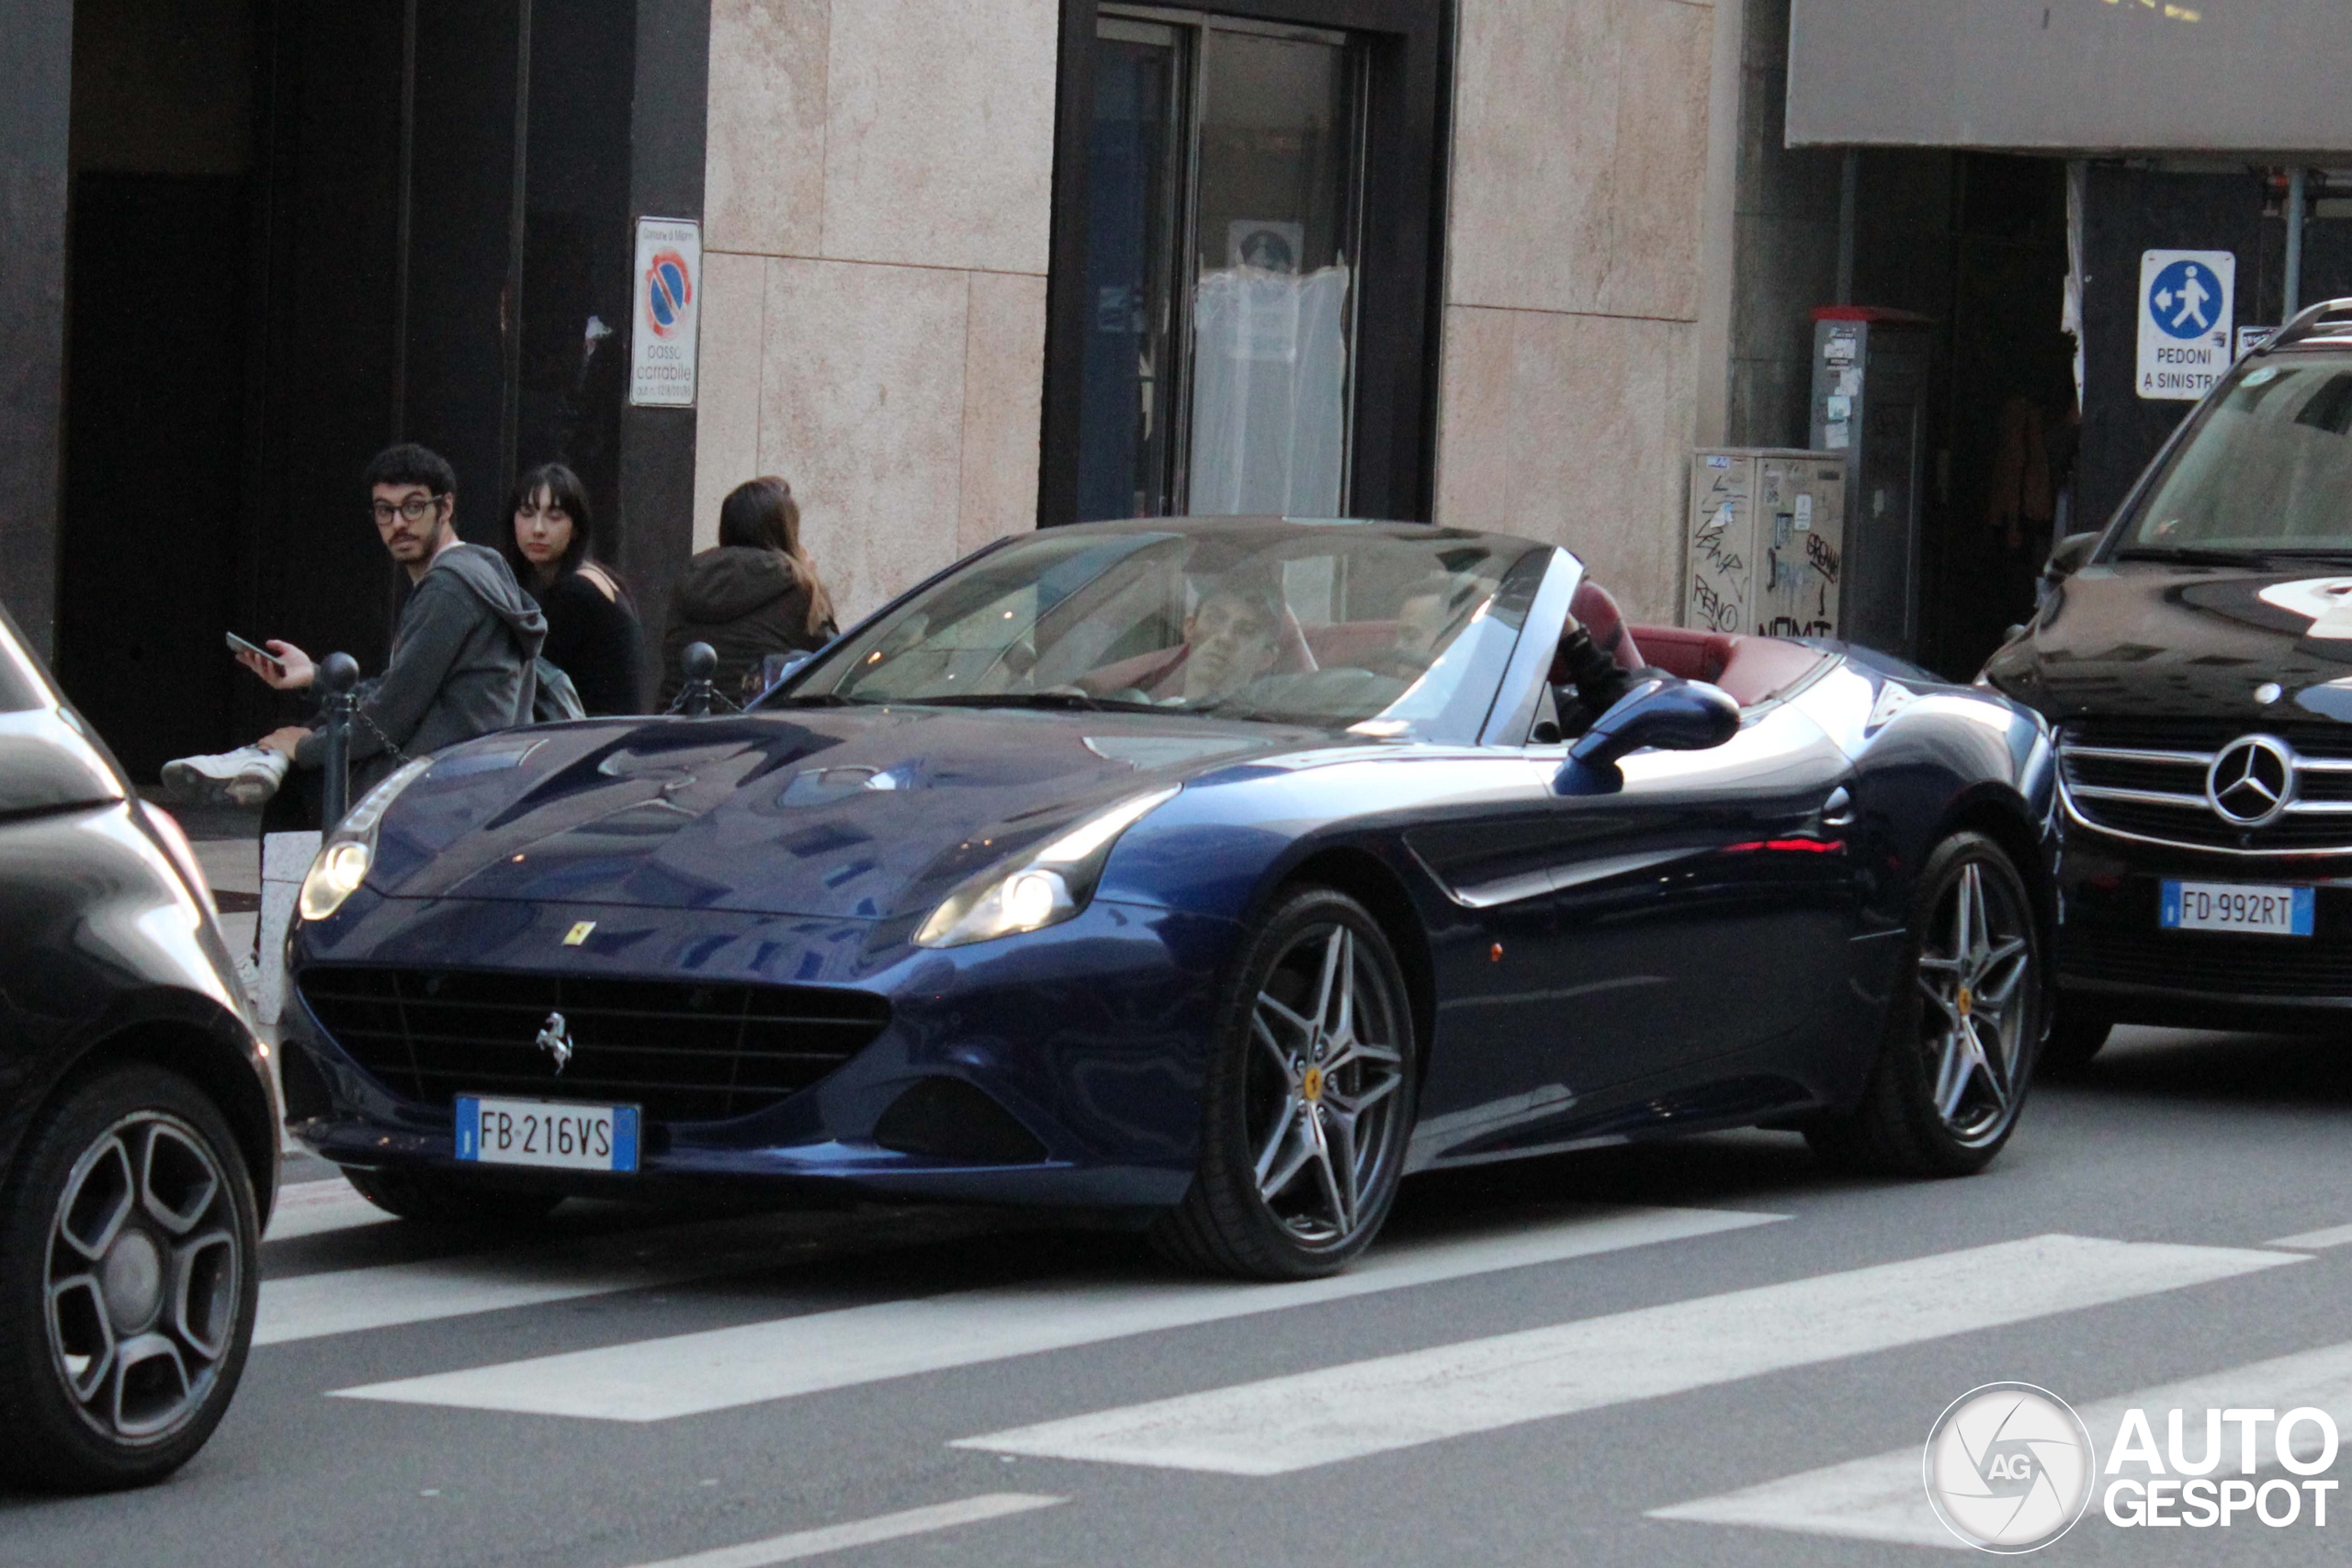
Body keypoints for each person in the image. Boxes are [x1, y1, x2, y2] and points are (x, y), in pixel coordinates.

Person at [163, 444, 547, 818]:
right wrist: (314, 677)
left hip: (440, 785)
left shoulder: (448, 588)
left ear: (445, 507)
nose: (398, 524)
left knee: (296, 792)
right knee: (326, 727)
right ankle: (265, 757)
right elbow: (400, 690)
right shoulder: (482, 569)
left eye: (413, 507)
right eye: (385, 510)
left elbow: (391, 714)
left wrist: (307, 748)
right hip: (472, 773)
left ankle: (267, 760)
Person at [660, 476, 838, 707]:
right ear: (786, 533)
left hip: (672, 726)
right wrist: (809, 575)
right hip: (753, 730)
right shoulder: (799, 585)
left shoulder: (691, 576)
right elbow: (834, 663)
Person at [503, 461, 644, 715]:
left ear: (576, 527)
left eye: (554, 517)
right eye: (526, 513)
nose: (538, 529)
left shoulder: (576, 592)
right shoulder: (592, 577)